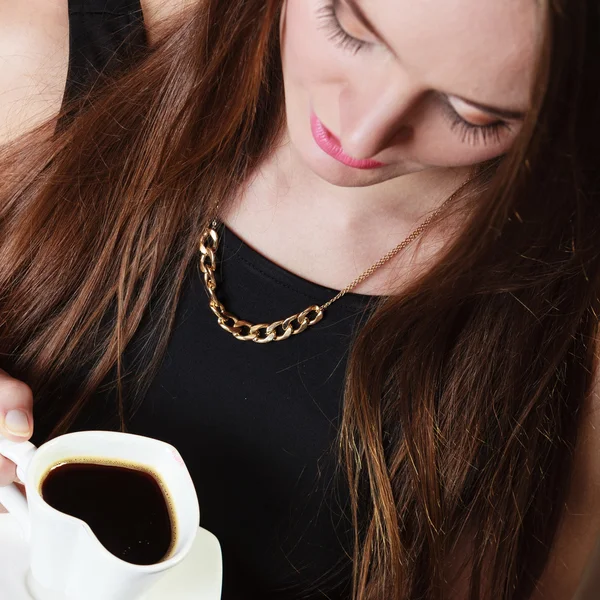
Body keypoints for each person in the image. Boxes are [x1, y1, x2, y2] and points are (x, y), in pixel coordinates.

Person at [0, 0, 599, 598]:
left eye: (472, 114)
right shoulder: (40, 57)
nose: (360, 132)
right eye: (350, 31)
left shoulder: (574, 317)